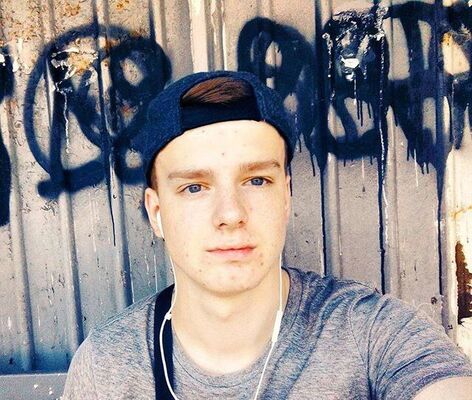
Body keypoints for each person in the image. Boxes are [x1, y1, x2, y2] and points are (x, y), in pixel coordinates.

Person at [62, 70, 472, 400]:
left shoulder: (370, 334)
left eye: (256, 180)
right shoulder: (108, 366)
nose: (230, 214)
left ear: (287, 196)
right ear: (157, 213)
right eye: (194, 187)